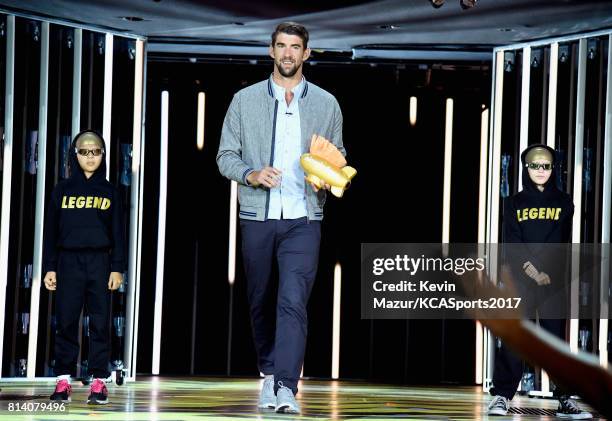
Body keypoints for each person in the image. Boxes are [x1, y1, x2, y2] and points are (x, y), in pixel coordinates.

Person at [216, 22, 345, 414]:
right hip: (258, 214)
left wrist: (325, 179)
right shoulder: (244, 100)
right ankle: (269, 372)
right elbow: (225, 156)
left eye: (295, 47)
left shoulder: (327, 104)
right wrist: (251, 174)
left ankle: (287, 384)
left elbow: (338, 158)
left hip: (304, 218)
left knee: (293, 300)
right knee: (259, 299)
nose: (288, 53)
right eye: (281, 46)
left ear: (306, 54)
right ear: (271, 51)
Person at [487, 144, 592, 419]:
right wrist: (533, 272)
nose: (541, 170)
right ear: (526, 168)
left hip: (553, 281)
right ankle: (501, 396)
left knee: (554, 342)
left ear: (553, 168)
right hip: (521, 279)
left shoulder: (564, 202)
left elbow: (559, 242)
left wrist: (547, 273)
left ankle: (565, 399)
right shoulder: (514, 203)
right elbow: (514, 244)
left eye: (546, 165)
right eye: (535, 165)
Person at [43, 130, 125, 405]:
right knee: (65, 321)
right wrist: (50, 267)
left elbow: (119, 233)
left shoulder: (111, 191)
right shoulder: (62, 190)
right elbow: (50, 232)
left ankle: (99, 382)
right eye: (85, 151)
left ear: (103, 155)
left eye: (96, 151)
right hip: (68, 262)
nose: (91, 156)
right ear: (75, 154)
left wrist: (117, 268)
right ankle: (63, 380)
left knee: (100, 323)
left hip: (100, 262)